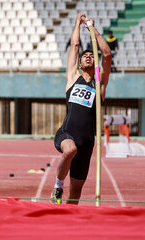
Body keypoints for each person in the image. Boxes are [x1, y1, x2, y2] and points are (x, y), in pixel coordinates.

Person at [51, 14, 111, 204]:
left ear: (95, 65)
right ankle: (58, 186)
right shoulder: (72, 78)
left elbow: (107, 55)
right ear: (79, 63)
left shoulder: (99, 84)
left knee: (75, 195)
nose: (88, 56)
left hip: (87, 142)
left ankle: (68, 226)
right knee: (69, 151)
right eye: (85, 56)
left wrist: (93, 30)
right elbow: (75, 46)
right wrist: (78, 23)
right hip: (67, 133)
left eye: (92, 56)